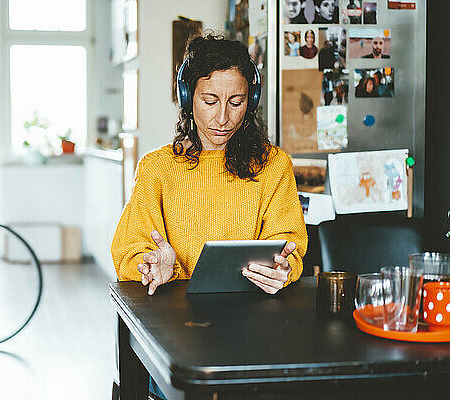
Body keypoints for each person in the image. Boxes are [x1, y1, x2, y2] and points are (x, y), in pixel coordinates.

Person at [111, 33, 308, 298]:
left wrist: (283, 268)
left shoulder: (274, 165)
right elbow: (129, 249)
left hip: (255, 311)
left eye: (236, 102)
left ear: (251, 101)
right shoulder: (156, 168)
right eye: (210, 101)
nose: (223, 118)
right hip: (175, 315)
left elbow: (289, 244)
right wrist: (156, 266)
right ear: (187, 97)